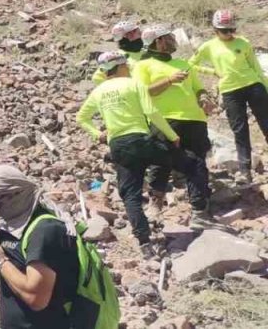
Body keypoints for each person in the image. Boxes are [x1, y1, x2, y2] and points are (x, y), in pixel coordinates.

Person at [75, 51, 197, 251]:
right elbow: (151, 112)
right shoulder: (134, 84)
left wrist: (97, 134)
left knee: (130, 195)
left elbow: (81, 117)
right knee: (170, 159)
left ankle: (144, 242)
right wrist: (172, 135)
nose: (129, 67)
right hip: (141, 139)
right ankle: (158, 194)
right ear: (121, 66)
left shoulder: (99, 91)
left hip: (119, 145)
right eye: (126, 64)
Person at [0, 165, 80, 329]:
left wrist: (0, 260)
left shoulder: (45, 230)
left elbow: (36, 298)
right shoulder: (15, 227)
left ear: (18, 192)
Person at [132, 25, 213, 216]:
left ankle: (199, 206)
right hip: (165, 119)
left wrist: (203, 98)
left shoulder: (184, 64)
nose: (173, 40)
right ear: (158, 41)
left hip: (195, 119)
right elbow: (142, 93)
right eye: (168, 37)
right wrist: (169, 80)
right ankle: (155, 202)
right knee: (161, 160)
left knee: (198, 161)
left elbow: (198, 88)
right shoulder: (143, 66)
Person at [190, 9, 268, 183]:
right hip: (230, 91)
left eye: (231, 30)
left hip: (253, 86)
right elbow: (191, 65)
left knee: (266, 123)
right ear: (215, 30)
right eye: (224, 31)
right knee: (240, 131)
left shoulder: (244, 43)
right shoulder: (208, 46)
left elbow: (256, 68)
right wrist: (212, 71)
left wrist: (267, 87)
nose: (229, 34)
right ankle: (245, 171)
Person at [91, 19, 143, 84]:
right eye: (138, 33)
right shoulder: (115, 57)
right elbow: (97, 78)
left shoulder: (146, 52)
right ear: (129, 36)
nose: (141, 36)